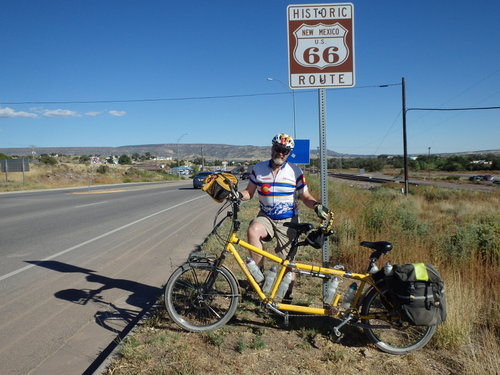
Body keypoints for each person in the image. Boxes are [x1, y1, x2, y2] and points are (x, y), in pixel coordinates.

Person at [238, 133, 330, 299]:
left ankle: (287, 296)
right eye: (278, 149)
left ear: (289, 153)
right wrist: (237, 195)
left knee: (288, 262)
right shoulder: (258, 169)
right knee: (253, 230)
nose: (281, 153)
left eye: (285, 151)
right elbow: (249, 193)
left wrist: (316, 206)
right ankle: (259, 279)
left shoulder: (295, 171)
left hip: (288, 221)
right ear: (272, 148)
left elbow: (306, 196)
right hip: (266, 216)